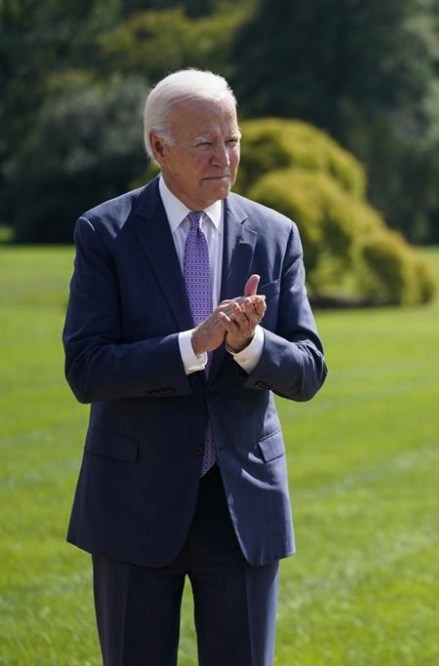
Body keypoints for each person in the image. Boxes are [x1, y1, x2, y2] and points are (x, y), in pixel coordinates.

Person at [62, 68, 327, 664]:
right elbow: (87, 368)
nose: (224, 157)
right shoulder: (106, 232)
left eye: (231, 140)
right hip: (134, 500)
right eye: (204, 143)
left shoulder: (275, 234)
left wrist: (249, 346)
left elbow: (309, 370)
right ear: (159, 147)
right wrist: (192, 344)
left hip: (242, 507)